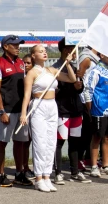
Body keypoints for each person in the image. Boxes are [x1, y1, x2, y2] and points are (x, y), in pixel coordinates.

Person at [20, 44, 76, 192]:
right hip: (38, 106)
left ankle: (47, 176)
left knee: (51, 141)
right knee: (40, 143)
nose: (44, 53)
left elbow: (72, 78)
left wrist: (68, 63)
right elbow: (27, 95)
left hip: (52, 106)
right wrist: (23, 113)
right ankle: (38, 178)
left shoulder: (51, 70)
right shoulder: (31, 73)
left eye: (45, 51)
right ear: (33, 55)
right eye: (40, 51)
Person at [0, 35, 33, 187]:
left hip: (21, 110)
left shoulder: (21, 63)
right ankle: (1, 175)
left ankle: (19, 173)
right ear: (6, 46)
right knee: (3, 142)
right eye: (14, 45)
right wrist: (1, 111)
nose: (18, 47)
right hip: (7, 110)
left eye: (18, 44)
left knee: (21, 143)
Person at [53, 39, 91, 184]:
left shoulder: (75, 68)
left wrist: (78, 85)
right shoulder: (55, 67)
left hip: (76, 110)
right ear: (64, 50)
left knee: (75, 142)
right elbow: (57, 89)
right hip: (62, 111)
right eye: (71, 49)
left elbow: (79, 88)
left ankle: (75, 172)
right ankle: (58, 173)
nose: (73, 52)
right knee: (60, 142)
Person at [82, 50, 108, 178]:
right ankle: (93, 166)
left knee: (107, 138)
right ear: (102, 55)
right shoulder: (96, 70)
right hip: (98, 110)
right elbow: (88, 90)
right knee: (97, 138)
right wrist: (90, 108)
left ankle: (105, 164)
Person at [77, 46, 101, 172]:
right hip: (85, 98)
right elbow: (79, 76)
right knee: (86, 130)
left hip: (95, 98)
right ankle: (79, 158)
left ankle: (88, 158)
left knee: (93, 130)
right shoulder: (86, 58)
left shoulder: (97, 59)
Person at [20, 53, 34, 179]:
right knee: (24, 141)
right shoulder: (21, 77)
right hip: (24, 112)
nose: (25, 65)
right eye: (24, 62)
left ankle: (30, 166)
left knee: (31, 141)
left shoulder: (36, 76)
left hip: (34, 111)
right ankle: (24, 167)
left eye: (28, 63)